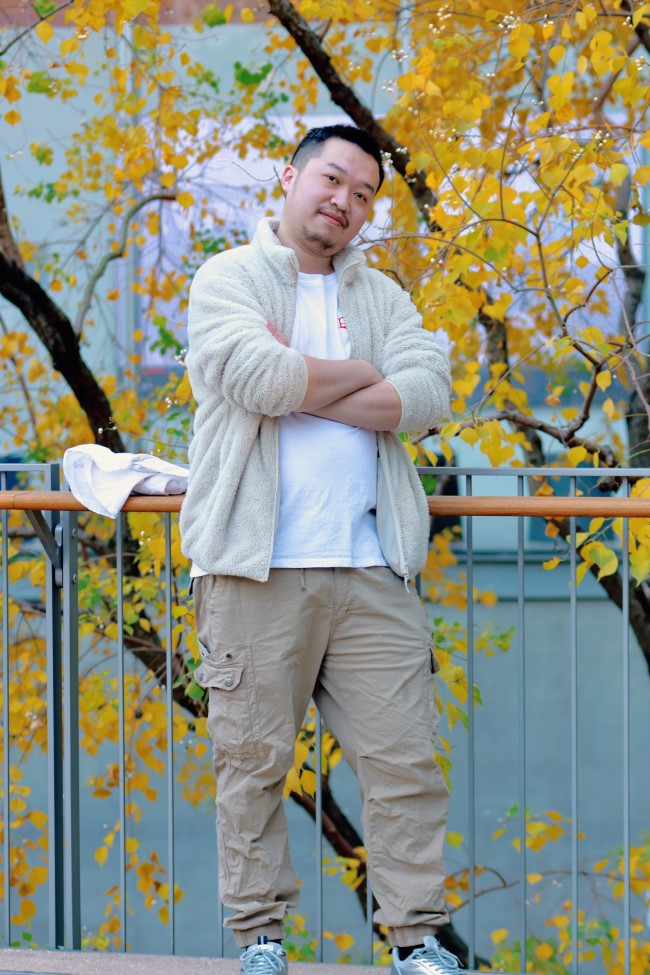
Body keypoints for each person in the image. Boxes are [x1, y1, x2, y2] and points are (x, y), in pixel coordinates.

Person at [180, 124, 456, 975]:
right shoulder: (228, 277)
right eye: (332, 179)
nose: (345, 200)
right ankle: (260, 937)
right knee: (254, 762)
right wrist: (364, 375)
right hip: (255, 567)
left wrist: (305, 379)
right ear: (292, 178)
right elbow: (257, 377)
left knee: (405, 763)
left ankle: (417, 940)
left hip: (372, 564)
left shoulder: (383, 297)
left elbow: (427, 395)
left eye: (363, 193)